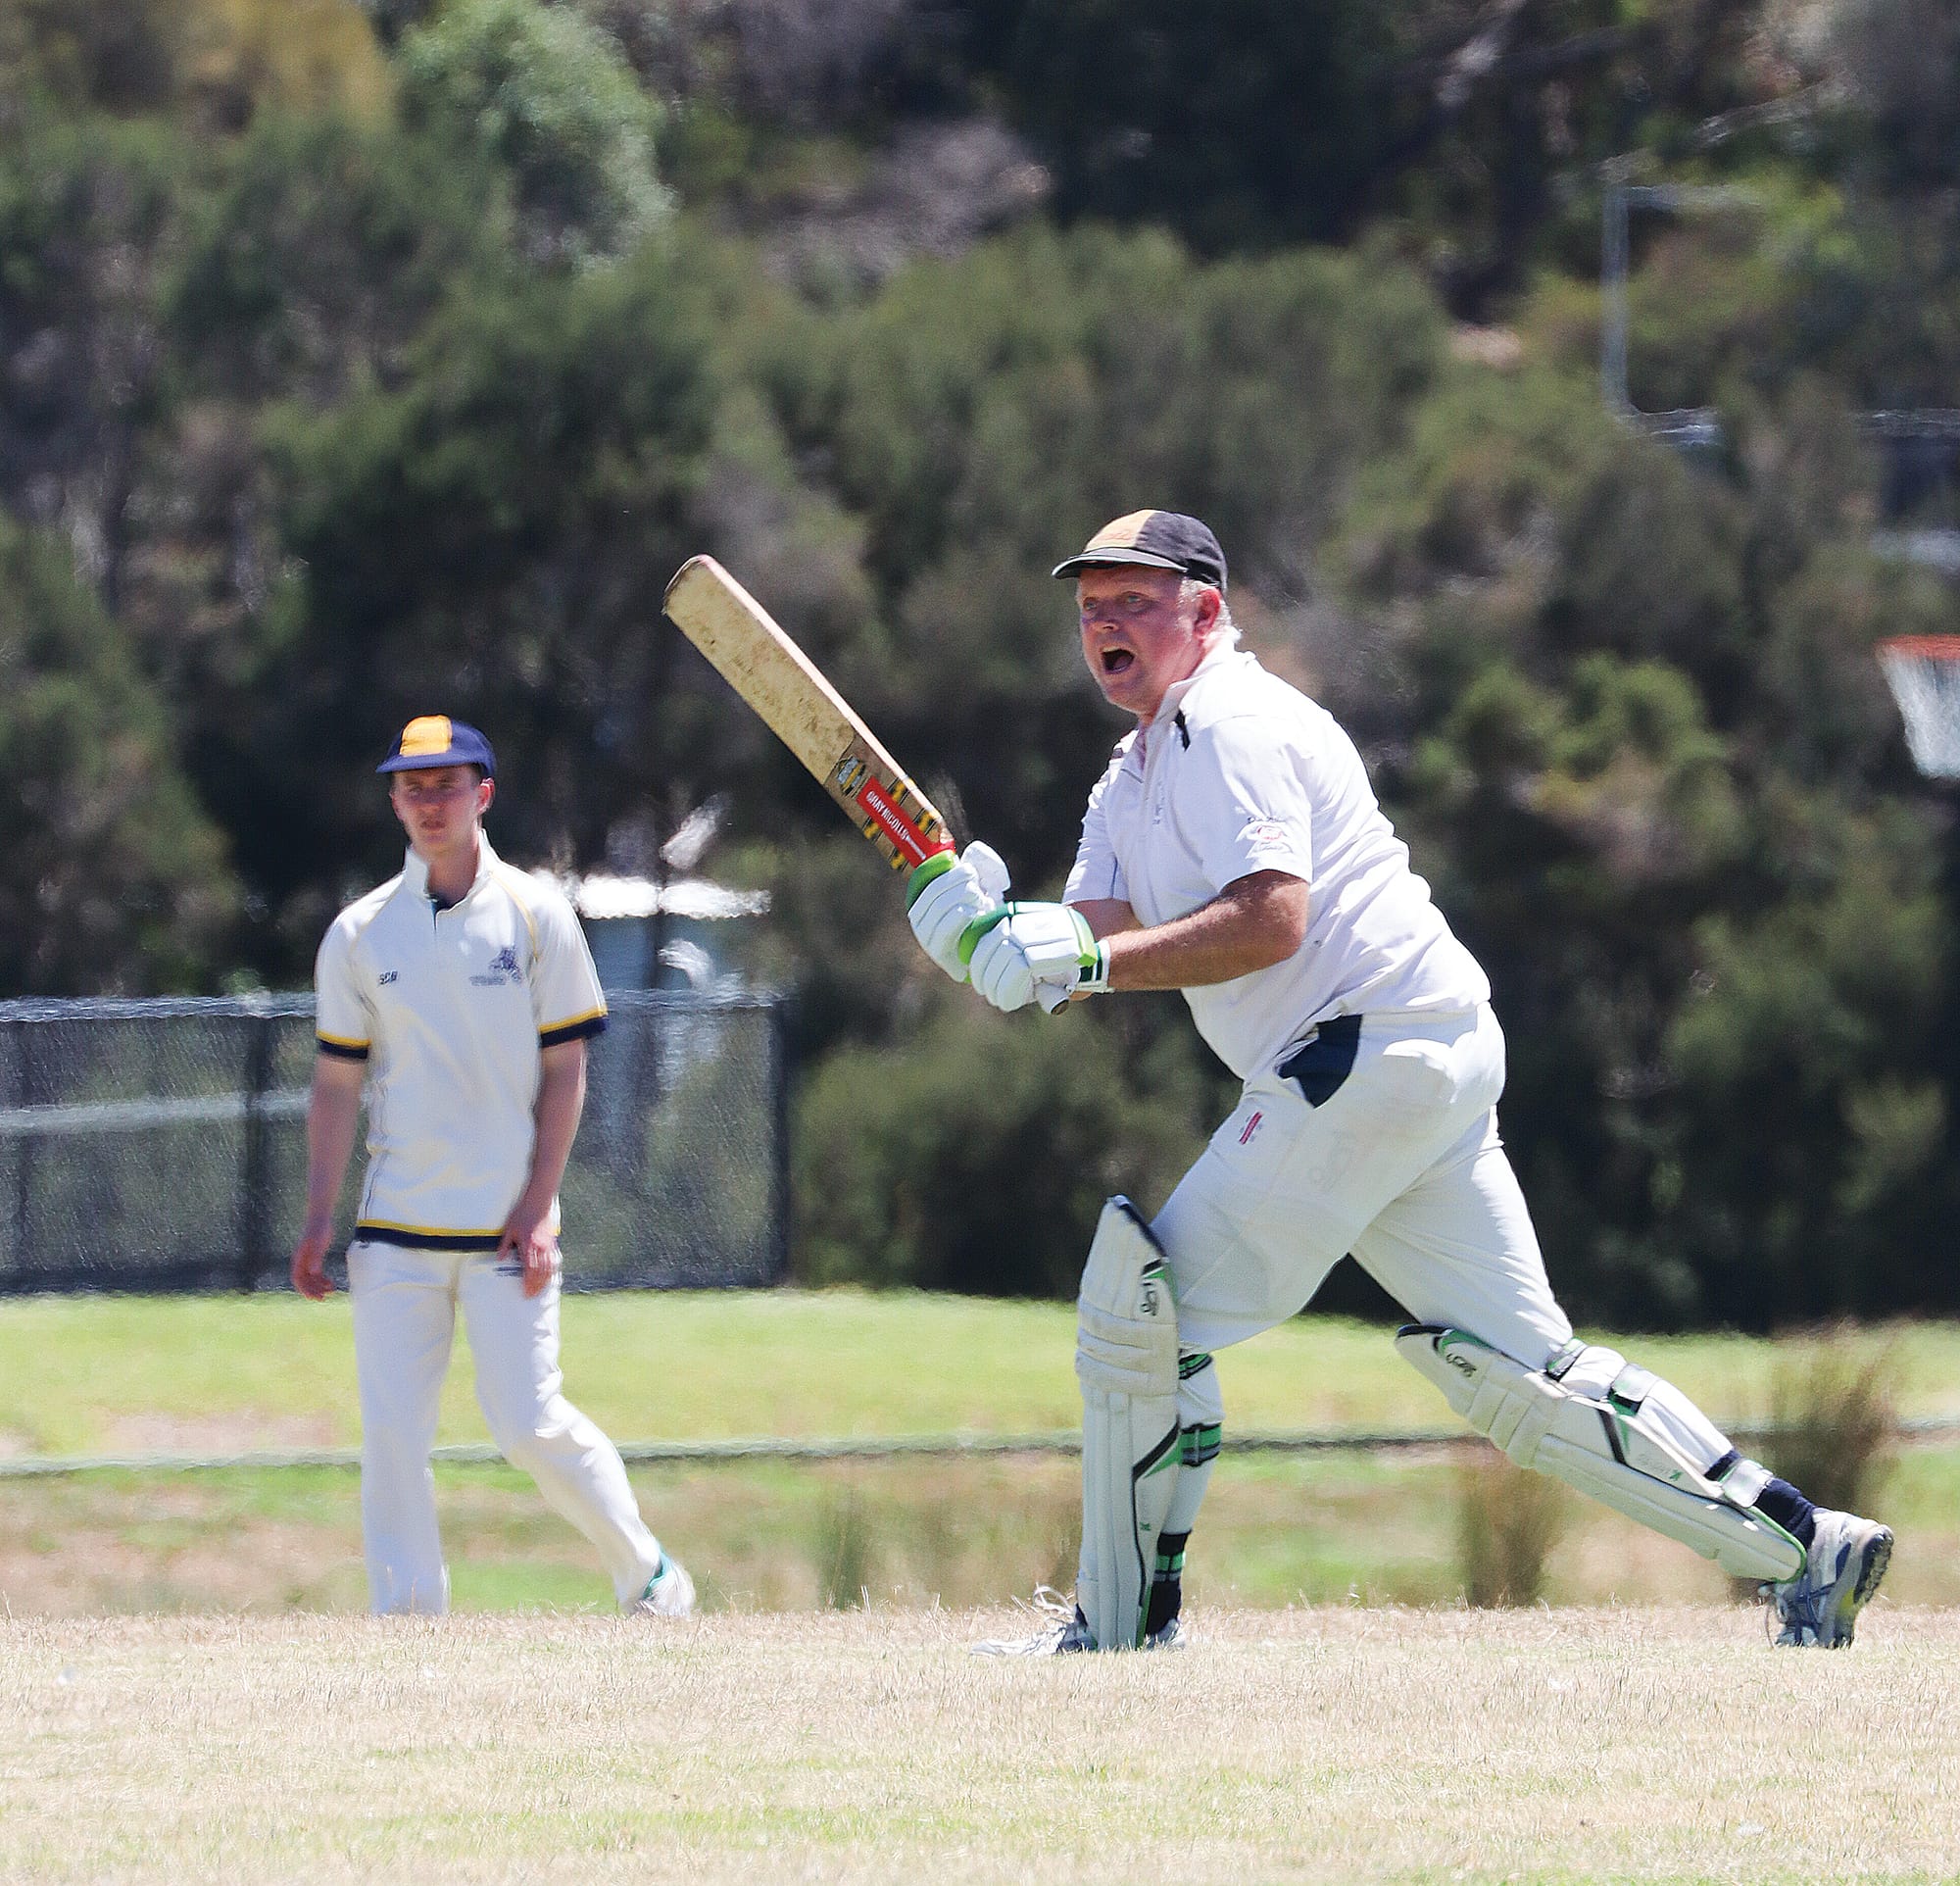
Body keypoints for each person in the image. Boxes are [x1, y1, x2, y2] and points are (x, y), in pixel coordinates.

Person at [906, 511, 1890, 1653]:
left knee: (1140, 1309)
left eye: (1134, 600)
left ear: (1206, 614)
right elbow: (1092, 939)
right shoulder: (1130, 772)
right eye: (1089, 606)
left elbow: (1271, 920)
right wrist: (989, 938)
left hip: (1356, 1049)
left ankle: (1119, 1633)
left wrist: (1074, 956)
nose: (1104, 623)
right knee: (1529, 1377)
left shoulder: (1231, 722)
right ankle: (1806, 1551)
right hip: (1424, 1052)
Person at [290, 715, 694, 1619]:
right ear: (392, 799)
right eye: (412, 787)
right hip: (394, 1227)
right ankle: (408, 1627)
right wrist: (320, 1218)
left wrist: (540, 1204)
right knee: (394, 1437)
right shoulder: (359, 934)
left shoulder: (535, 912)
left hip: (507, 1225)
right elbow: (333, 1084)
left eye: (447, 785)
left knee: (528, 1422)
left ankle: (650, 1578)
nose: (430, 804)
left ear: (485, 793)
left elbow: (566, 1071)